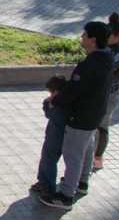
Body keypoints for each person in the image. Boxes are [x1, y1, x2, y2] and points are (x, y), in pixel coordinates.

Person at [39, 22, 113, 210]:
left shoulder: (89, 65)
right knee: (87, 148)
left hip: (81, 116)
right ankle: (82, 182)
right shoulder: (107, 58)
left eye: (84, 35)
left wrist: (55, 101)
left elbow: (74, 91)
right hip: (95, 114)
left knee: (73, 156)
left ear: (93, 40)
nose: (82, 38)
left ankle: (66, 195)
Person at [94, 13, 119, 170]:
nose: (106, 37)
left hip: (110, 95)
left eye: (109, 35)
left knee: (102, 127)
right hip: (100, 92)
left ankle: (97, 157)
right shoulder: (109, 47)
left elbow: (103, 69)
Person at [30, 75, 69, 197]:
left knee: (49, 160)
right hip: (54, 135)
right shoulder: (64, 100)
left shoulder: (60, 104)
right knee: (46, 159)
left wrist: (47, 105)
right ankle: (42, 181)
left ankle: (48, 186)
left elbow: (51, 115)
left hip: (56, 137)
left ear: (56, 91)